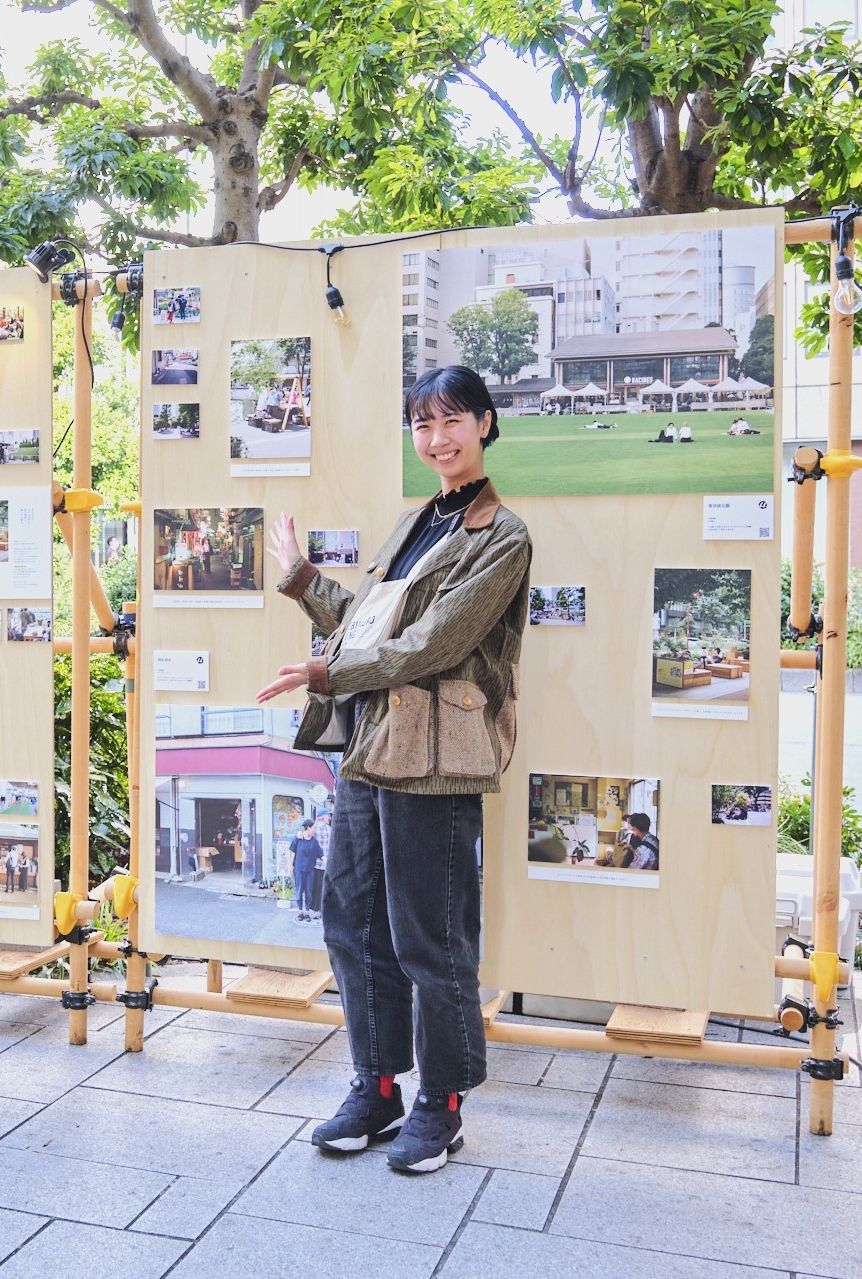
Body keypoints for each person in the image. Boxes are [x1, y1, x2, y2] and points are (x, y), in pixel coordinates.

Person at [257, 364, 530, 1174]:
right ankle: (375, 1085)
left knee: (431, 939)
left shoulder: (503, 534)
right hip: (373, 748)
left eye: (451, 421)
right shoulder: (415, 525)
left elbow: (432, 646)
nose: (436, 438)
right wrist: (305, 581)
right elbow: (370, 630)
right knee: (351, 923)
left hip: (437, 761)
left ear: (483, 424)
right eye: (421, 424)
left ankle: (440, 1104)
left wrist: (323, 674)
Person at [290, 820, 321, 922]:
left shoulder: (314, 841)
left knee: (309, 892)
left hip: (310, 871)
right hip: (299, 870)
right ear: (308, 828)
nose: (314, 830)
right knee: (299, 892)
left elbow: (321, 854)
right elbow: (293, 852)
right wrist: (291, 866)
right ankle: (300, 912)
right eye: (313, 828)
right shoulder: (298, 839)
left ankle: (307, 912)